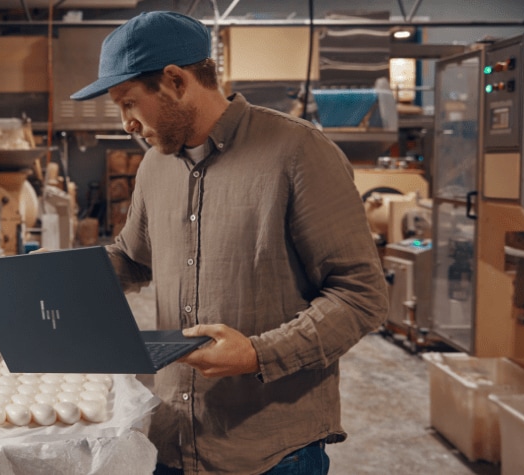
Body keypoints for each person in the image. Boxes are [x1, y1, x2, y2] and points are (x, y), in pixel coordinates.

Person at [70, 11, 389, 475]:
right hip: (171, 440)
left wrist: (259, 354)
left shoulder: (298, 152)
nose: (126, 125)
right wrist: (60, 279)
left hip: (270, 452)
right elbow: (133, 257)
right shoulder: (155, 167)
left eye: (129, 103)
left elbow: (362, 295)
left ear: (175, 81)